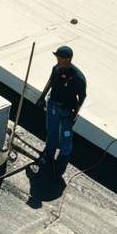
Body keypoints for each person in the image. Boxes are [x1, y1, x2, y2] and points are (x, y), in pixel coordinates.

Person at [32, 46, 87, 178]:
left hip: (66, 111)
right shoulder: (56, 68)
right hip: (53, 107)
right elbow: (51, 81)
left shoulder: (78, 78)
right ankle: (48, 158)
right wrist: (42, 97)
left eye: (59, 57)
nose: (57, 59)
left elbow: (82, 97)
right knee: (52, 133)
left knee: (66, 140)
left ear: (68, 59)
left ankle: (60, 167)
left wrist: (75, 113)